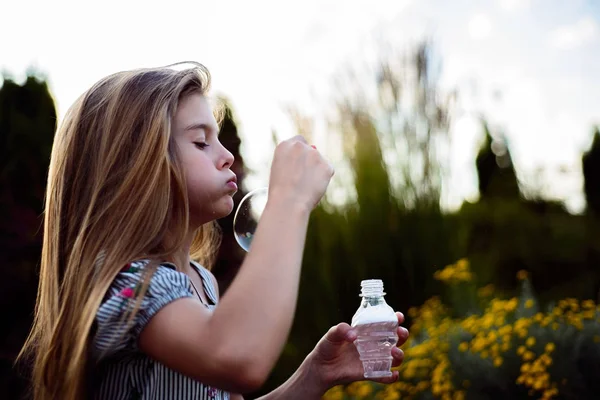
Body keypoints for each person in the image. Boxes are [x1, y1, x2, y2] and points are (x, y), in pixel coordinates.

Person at [18, 62, 409, 400]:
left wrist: (313, 376)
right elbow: (237, 357)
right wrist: (289, 201)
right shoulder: (125, 285)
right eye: (201, 142)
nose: (227, 157)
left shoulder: (200, 281)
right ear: (137, 167)